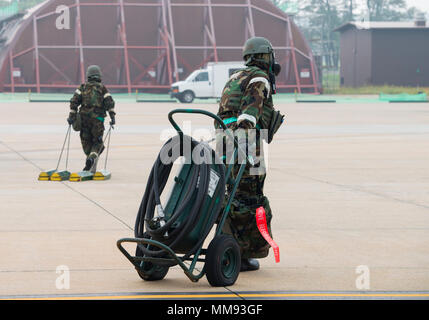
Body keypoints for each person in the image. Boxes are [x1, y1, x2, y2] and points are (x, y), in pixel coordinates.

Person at [216, 37, 284, 272]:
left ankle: (227, 247)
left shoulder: (235, 77)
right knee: (249, 196)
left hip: (224, 141)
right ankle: (242, 255)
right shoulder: (259, 78)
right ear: (264, 56)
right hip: (245, 144)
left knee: (229, 194)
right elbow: (249, 115)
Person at [67, 65, 116, 171]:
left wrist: (71, 117)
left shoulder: (82, 87)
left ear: (88, 75)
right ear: (99, 75)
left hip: (84, 120)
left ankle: (89, 162)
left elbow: (74, 102)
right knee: (98, 144)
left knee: (86, 142)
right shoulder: (102, 88)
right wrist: (112, 117)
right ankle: (92, 159)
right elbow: (109, 103)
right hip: (98, 120)